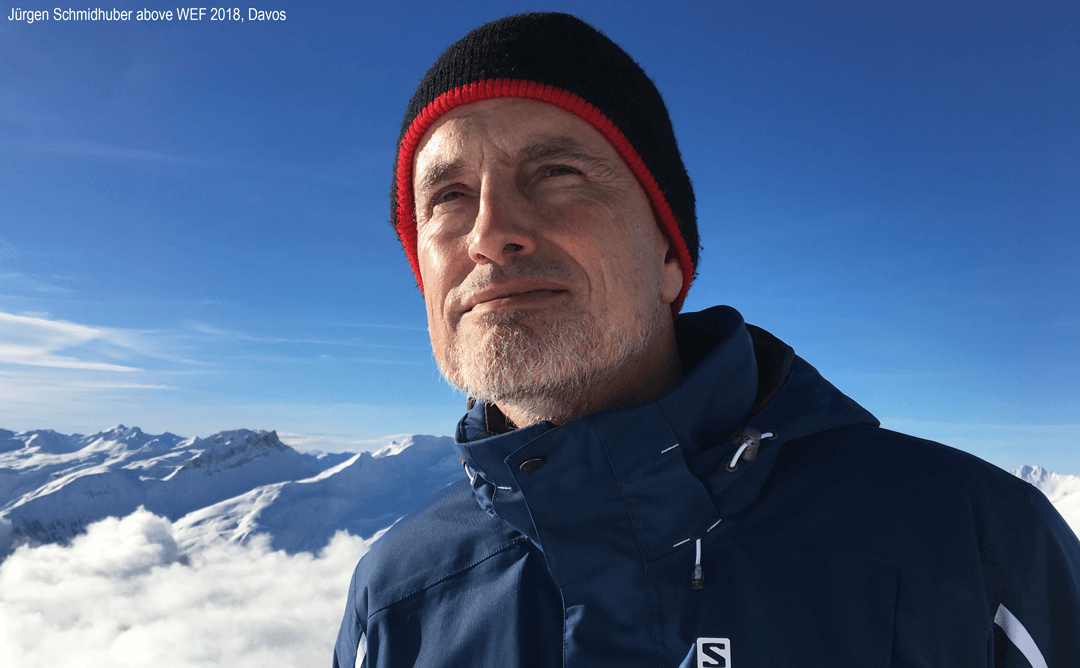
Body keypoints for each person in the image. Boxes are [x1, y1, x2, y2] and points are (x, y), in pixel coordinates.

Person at [334, 12, 1080, 667]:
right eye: (448, 196)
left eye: (557, 172)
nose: (490, 233)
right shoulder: (394, 599)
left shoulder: (975, 549)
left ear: (669, 257)